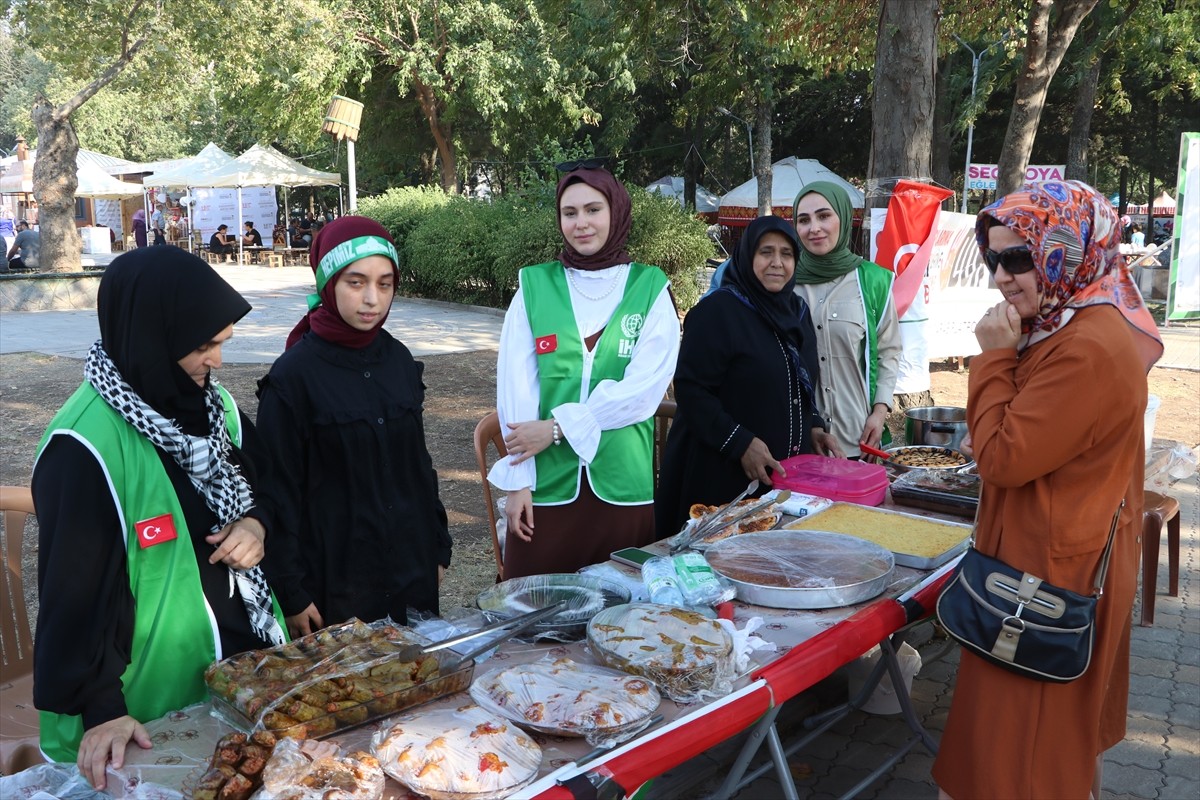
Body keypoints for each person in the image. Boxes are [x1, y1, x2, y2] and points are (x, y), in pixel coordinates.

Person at [932, 181, 1163, 800]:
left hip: (1047, 582)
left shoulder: (1085, 345)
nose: (1002, 278)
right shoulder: (1066, 325)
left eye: (1019, 258)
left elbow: (1003, 457)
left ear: (1066, 250)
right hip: (1041, 564)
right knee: (1030, 747)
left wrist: (991, 360)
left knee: (1021, 757)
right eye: (994, 259)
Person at [31, 246, 287, 788]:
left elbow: (268, 487)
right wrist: (101, 707)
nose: (216, 361)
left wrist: (255, 524)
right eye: (202, 346)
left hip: (244, 677)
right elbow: (72, 594)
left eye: (221, 343)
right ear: (151, 337)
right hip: (146, 707)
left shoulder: (214, 412)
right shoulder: (83, 448)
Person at [256, 216, 451, 636]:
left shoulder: (399, 360)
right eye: (356, 282)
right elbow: (277, 491)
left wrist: (437, 546)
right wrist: (291, 590)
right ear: (328, 283)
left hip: (411, 571)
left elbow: (418, 466)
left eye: (385, 284)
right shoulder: (293, 377)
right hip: (335, 582)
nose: (372, 299)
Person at [489, 166, 679, 579]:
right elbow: (516, 390)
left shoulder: (650, 287)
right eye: (569, 212)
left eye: (593, 209)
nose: (581, 223)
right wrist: (518, 482)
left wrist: (558, 427)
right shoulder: (534, 286)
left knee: (623, 615)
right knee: (534, 614)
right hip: (546, 488)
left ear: (616, 212)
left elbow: (644, 391)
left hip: (623, 485)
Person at [655, 216, 840, 535]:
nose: (777, 263)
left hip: (785, 482)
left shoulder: (796, 311)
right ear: (746, 256)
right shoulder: (717, 312)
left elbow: (798, 382)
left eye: (786, 254)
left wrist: (813, 426)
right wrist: (740, 444)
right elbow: (691, 390)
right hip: (722, 479)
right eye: (765, 252)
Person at [791, 182, 901, 458]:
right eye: (803, 220)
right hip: (800, 442)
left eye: (824, 215)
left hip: (857, 438)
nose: (814, 227)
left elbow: (889, 352)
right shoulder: (785, 283)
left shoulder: (873, 280)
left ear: (843, 217)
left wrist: (879, 412)